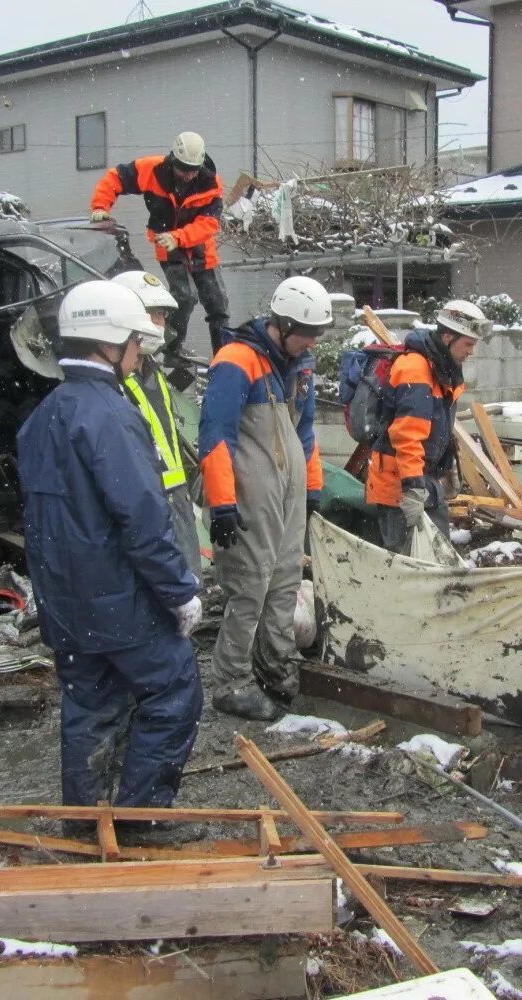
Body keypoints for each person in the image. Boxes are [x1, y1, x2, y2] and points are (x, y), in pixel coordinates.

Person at [16, 281, 203, 844]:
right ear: (109, 344)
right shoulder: (111, 417)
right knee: (174, 694)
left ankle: (85, 824)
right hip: (119, 600)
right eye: (135, 343)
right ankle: (142, 821)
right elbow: (142, 520)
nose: (141, 352)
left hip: (66, 604)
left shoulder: (43, 415)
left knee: (90, 707)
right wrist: (179, 590)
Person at [197, 276, 327, 721]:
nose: (312, 343)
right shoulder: (237, 360)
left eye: (317, 334)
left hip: (287, 492)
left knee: (286, 579)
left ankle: (277, 667)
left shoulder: (300, 365)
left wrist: (311, 490)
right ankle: (231, 682)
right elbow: (215, 435)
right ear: (282, 324)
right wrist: (222, 503)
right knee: (250, 585)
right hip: (249, 491)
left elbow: (305, 433)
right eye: (307, 333)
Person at [90, 130, 228, 357]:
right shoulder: (152, 169)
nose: (187, 175)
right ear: (173, 159)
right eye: (183, 168)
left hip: (200, 244)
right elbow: (115, 177)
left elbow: (210, 223)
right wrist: (100, 206)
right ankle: (171, 349)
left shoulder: (211, 183)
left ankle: (225, 358)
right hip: (166, 240)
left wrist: (180, 237)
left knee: (219, 305)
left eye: (192, 170)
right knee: (184, 296)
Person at [366, 299, 489, 552]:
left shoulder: (442, 369)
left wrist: (447, 468)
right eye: (468, 344)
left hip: (423, 479)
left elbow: (438, 428)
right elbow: (408, 436)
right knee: (407, 566)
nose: (471, 352)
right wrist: (412, 488)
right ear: (447, 338)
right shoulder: (416, 369)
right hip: (400, 483)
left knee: (436, 556)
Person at [109, 270, 202, 577]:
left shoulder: (151, 371)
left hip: (175, 498)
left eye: (163, 315)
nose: (161, 324)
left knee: (187, 588)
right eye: (155, 314)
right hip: (147, 505)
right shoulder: (112, 381)